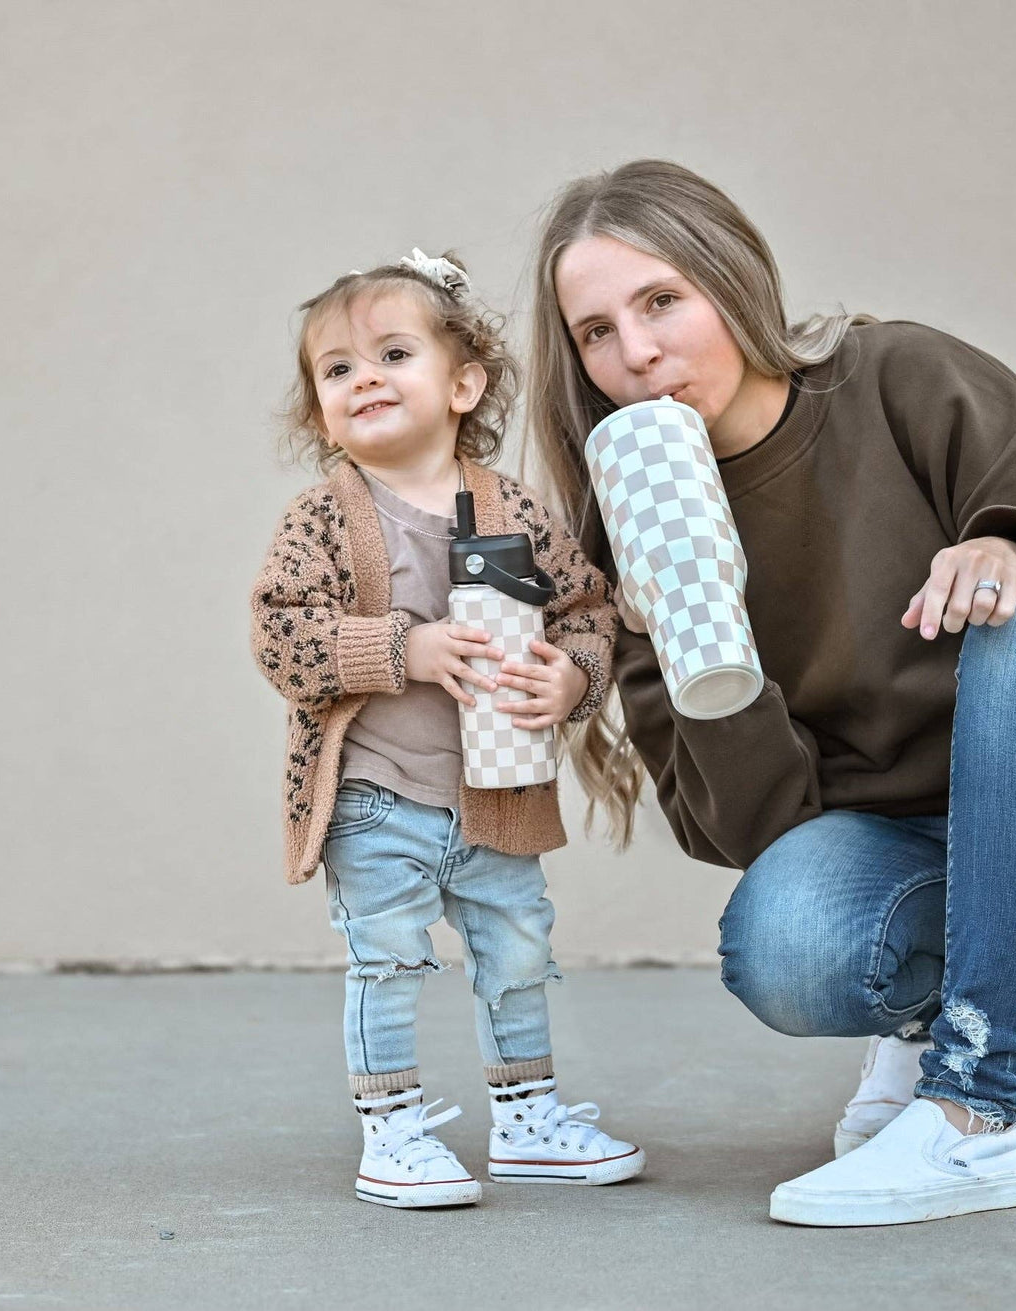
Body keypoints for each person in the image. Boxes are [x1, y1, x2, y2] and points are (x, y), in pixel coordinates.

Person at [525, 161, 1016, 1226]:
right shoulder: (637, 535)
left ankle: (971, 1112)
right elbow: (755, 836)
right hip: (901, 859)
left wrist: (1006, 551)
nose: (637, 352)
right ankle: (925, 1031)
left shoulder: (901, 377)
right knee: (779, 946)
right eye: (596, 332)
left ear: (731, 277)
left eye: (661, 300)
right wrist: (704, 638)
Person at [249, 249, 644, 1209]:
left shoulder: (512, 509)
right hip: (375, 795)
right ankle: (392, 1130)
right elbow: (281, 631)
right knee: (388, 958)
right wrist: (404, 649)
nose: (364, 379)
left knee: (515, 952)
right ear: (319, 407)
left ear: (463, 382)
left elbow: (585, 607)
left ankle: (528, 1120)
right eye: (337, 370)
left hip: (493, 790)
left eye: (392, 353)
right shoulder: (323, 518)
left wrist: (572, 676)